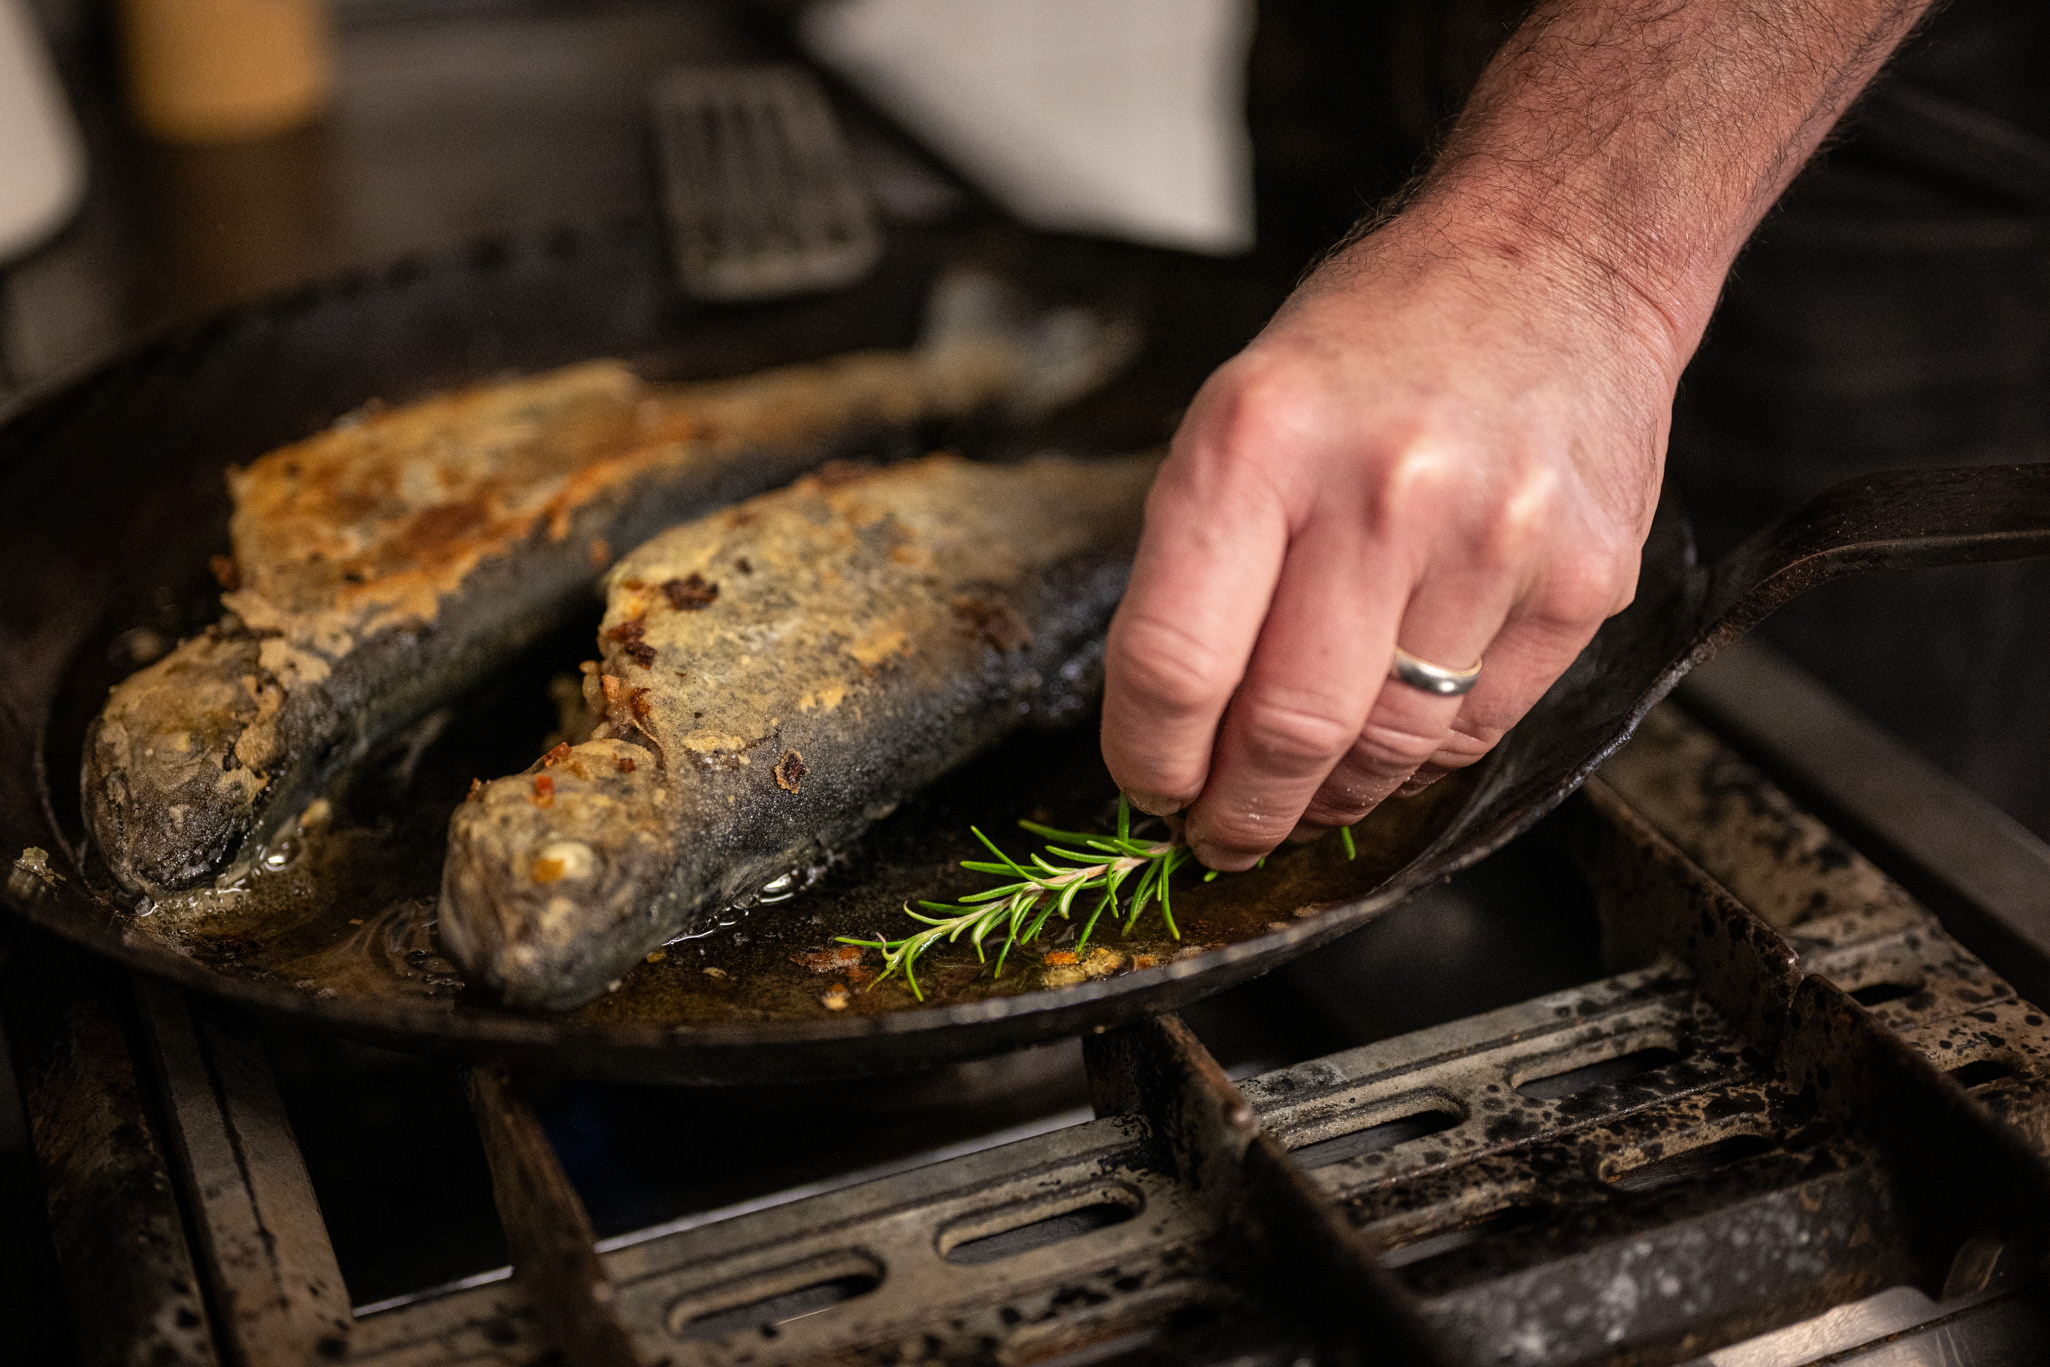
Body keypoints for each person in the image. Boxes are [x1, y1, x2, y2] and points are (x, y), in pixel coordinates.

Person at [1098, 0, 2050, 866]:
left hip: (1832, 97)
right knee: (1340, 585)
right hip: (1351, 35)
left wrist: (1574, 248)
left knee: (1843, 809)